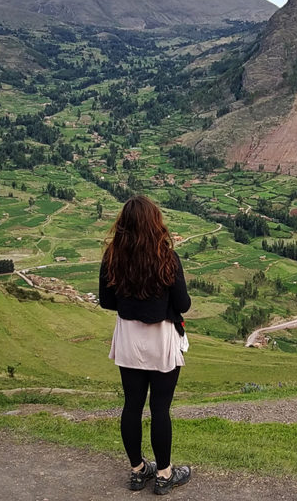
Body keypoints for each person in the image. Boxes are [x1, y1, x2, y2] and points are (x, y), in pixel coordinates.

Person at [99, 195, 192, 494]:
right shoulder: (166, 257)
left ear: (123, 223)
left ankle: (138, 470)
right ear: (155, 223)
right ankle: (164, 474)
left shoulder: (112, 256)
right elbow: (184, 304)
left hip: (128, 337)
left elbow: (106, 301)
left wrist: (133, 303)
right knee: (160, 408)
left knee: (132, 405)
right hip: (161, 337)